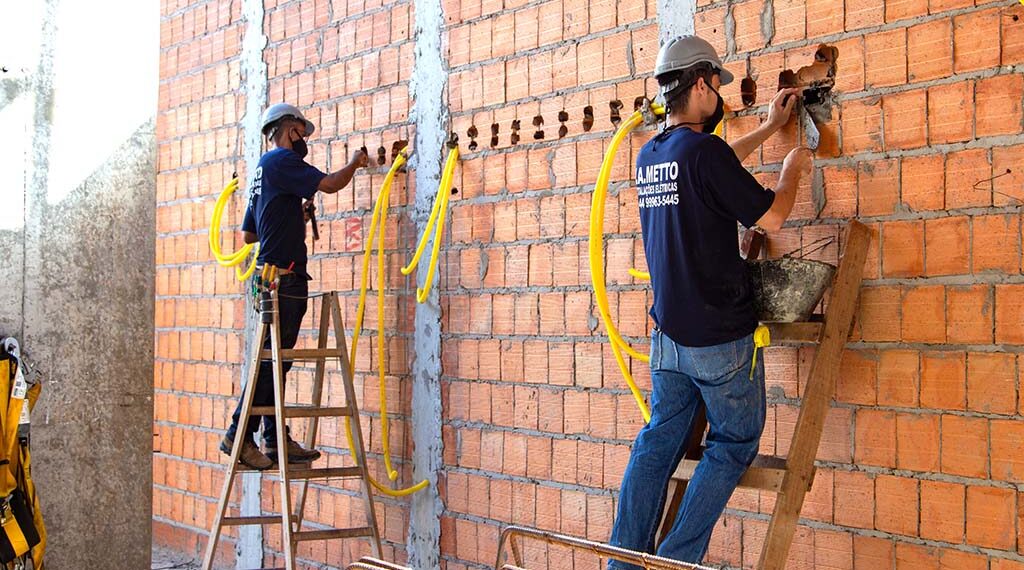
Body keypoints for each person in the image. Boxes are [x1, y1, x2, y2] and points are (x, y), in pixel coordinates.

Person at [607, 36, 813, 567]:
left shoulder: (652, 155)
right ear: (699, 84)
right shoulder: (704, 155)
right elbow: (771, 218)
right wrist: (794, 168)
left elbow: (712, 171)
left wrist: (768, 128)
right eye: (716, 84)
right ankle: (677, 559)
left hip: (669, 342)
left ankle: (621, 561)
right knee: (735, 441)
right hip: (720, 339)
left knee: (658, 442)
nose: (720, 93)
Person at [221, 103, 369, 469]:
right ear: (291, 131)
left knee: (276, 363)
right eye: (302, 133)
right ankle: (238, 435)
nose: (304, 141)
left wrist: (290, 214)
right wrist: (355, 162)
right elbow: (332, 185)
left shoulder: (262, 169)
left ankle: (274, 440)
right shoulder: (282, 162)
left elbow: (248, 234)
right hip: (284, 279)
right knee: (272, 364)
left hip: (270, 276)